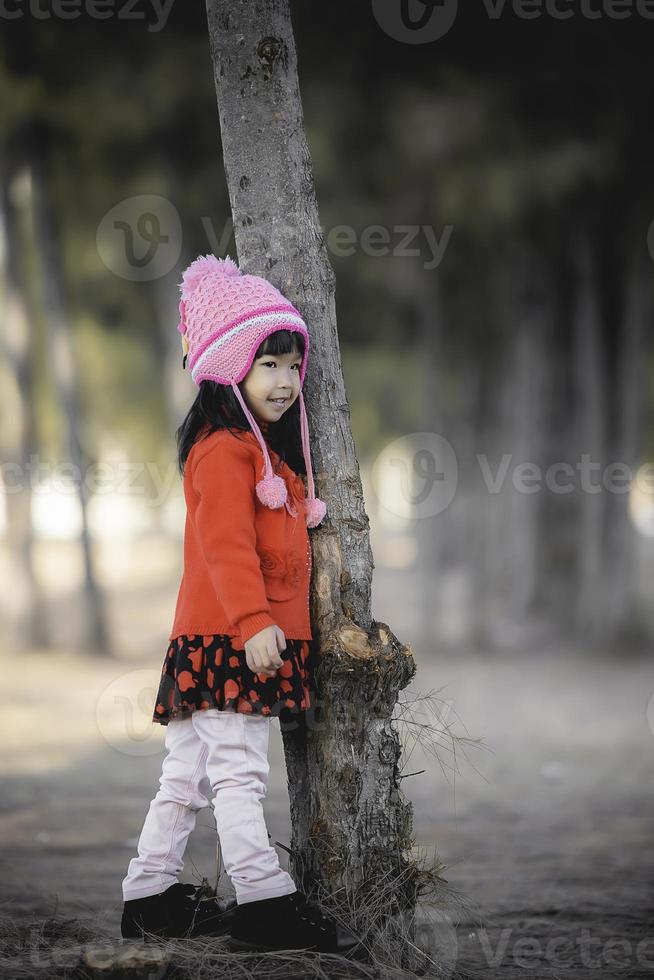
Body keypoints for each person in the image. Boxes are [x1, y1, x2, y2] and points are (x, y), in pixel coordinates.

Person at [120, 254, 362, 957]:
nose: (288, 382)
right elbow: (224, 548)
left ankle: (148, 891)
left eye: (294, 365)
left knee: (188, 777)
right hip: (231, 640)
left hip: (215, 639)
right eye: (270, 366)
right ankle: (263, 901)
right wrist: (257, 624)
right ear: (230, 368)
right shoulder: (223, 451)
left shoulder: (264, 459)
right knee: (238, 772)